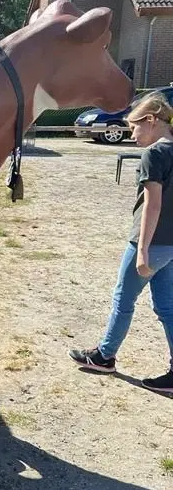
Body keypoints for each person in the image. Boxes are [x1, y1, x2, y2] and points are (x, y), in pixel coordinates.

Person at [69, 93, 173, 391]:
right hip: (171, 246)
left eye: (134, 127)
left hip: (150, 243)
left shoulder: (154, 154)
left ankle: (104, 356)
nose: (132, 133)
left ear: (151, 121)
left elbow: (152, 206)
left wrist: (142, 251)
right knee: (167, 308)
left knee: (123, 300)